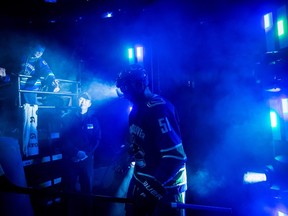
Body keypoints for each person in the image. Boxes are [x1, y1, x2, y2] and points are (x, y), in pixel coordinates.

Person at [116, 64, 188, 216]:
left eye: (125, 87)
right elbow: (141, 143)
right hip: (142, 180)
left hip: (166, 187)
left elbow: (175, 157)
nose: (123, 93)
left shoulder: (160, 110)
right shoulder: (135, 110)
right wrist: (129, 152)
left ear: (139, 84)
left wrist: (152, 188)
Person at [60, 92, 101, 215]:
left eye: (85, 100)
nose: (82, 102)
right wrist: (76, 152)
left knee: (87, 190)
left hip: (87, 160)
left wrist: (86, 154)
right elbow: (64, 138)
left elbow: (97, 139)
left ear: (89, 103)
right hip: (70, 159)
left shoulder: (94, 120)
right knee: (68, 190)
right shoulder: (67, 118)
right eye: (80, 99)